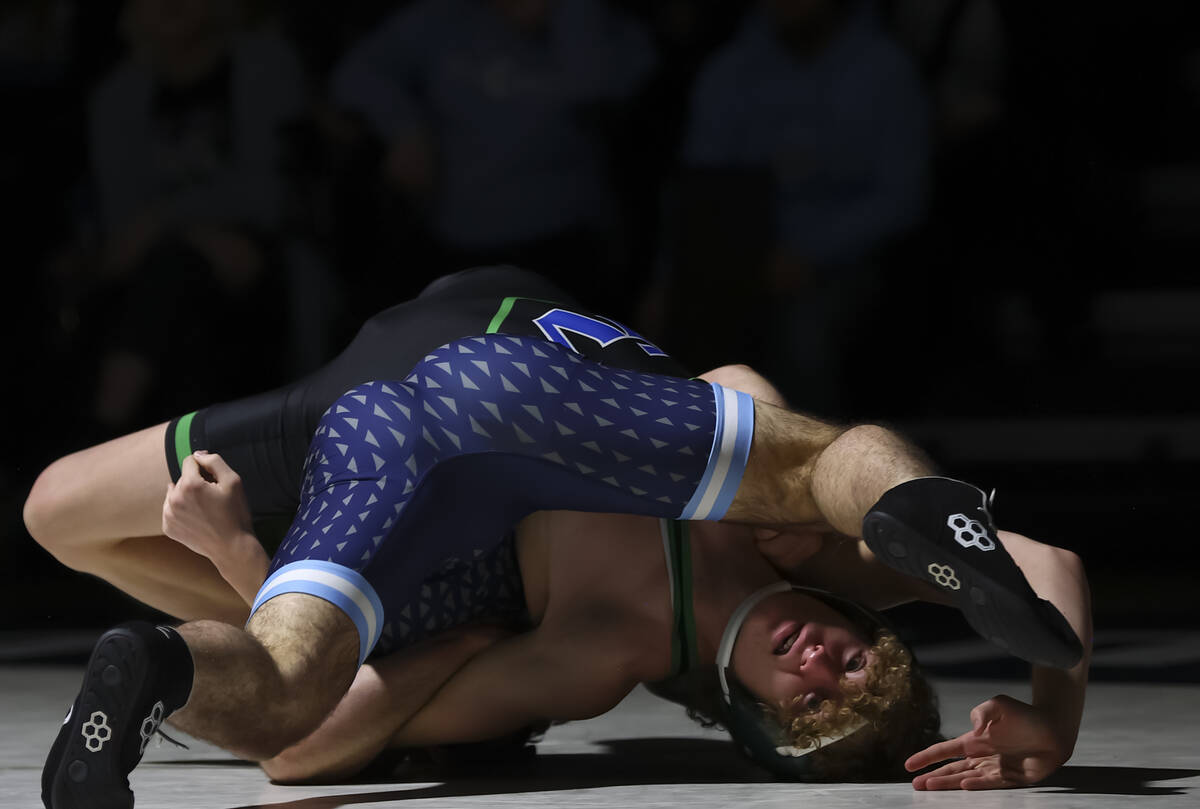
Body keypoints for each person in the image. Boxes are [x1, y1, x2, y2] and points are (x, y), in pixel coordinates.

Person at [25, 267, 1088, 806]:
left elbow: (308, 745)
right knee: (819, 469)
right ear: (865, 623)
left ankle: (158, 663)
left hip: (395, 414)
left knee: (65, 520)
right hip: (529, 374)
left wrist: (244, 566)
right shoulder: (803, 555)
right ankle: (927, 502)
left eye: (814, 699)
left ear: (763, 724)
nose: (817, 662)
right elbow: (1050, 563)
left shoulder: (600, 654)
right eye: (853, 660)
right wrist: (1054, 719)